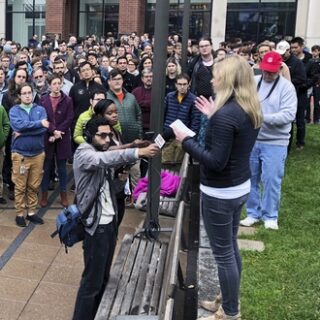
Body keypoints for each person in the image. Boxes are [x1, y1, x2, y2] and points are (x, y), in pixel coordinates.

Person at [172, 56, 262, 320]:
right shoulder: (247, 107)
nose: (211, 79)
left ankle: (230, 312)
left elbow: (215, 161)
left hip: (220, 193)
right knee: (230, 248)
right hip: (238, 187)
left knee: (223, 254)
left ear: (228, 80)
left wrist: (186, 139)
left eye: (216, 75)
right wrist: (213, 117)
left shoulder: (225, 116)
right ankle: (227, 299)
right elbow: (231, 143)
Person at [72, 116, 159, 320]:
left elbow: (110, 178)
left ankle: (98, 314)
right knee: (91, 282)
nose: (107, 140)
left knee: (103, 278)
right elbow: (105, 159)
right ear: (89, 136)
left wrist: (120, 179)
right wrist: (137, 152)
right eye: (102, 136)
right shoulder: (84, 153)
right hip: (96, 227)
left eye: (109, 135)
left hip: (109, 223)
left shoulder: (101, 149)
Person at [240, 52, 297, 231]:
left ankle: (270, 215)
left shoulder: (287, 88)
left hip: (276, 141)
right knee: (250, 177)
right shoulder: (254, 83)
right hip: (253, 139)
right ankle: (253, 213)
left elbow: (289, 115)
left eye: (272, 72)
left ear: (280, 69)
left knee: (272, 179)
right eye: (265, 71)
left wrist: (261, 117)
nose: (268, 74)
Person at [9, 83, 48, 227]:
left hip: (38, 154)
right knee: (20, 186)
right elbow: (18, 126)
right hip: (20, 154)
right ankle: (19, 213)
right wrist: (39, 124)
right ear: (19, 95)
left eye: (29, 92)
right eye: (24, 93)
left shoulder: (41, 109)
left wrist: (24, 131)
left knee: (34, 185)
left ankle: (31, 212)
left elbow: (44, 130)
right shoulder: (14, 111)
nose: (27, 95)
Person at [39, 74, 74, 207]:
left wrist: (59, 132)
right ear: (49, 85)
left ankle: (63, 195)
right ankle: (44, 195)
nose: (57, 86)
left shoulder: (68, 100)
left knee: (62, 168)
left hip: (62, 137)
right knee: (46, 167)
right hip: (48, 137)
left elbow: (69, 117)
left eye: (59, 83)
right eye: (54, 83)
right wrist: (53, 130)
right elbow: (42, 118)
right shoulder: (43, 100)